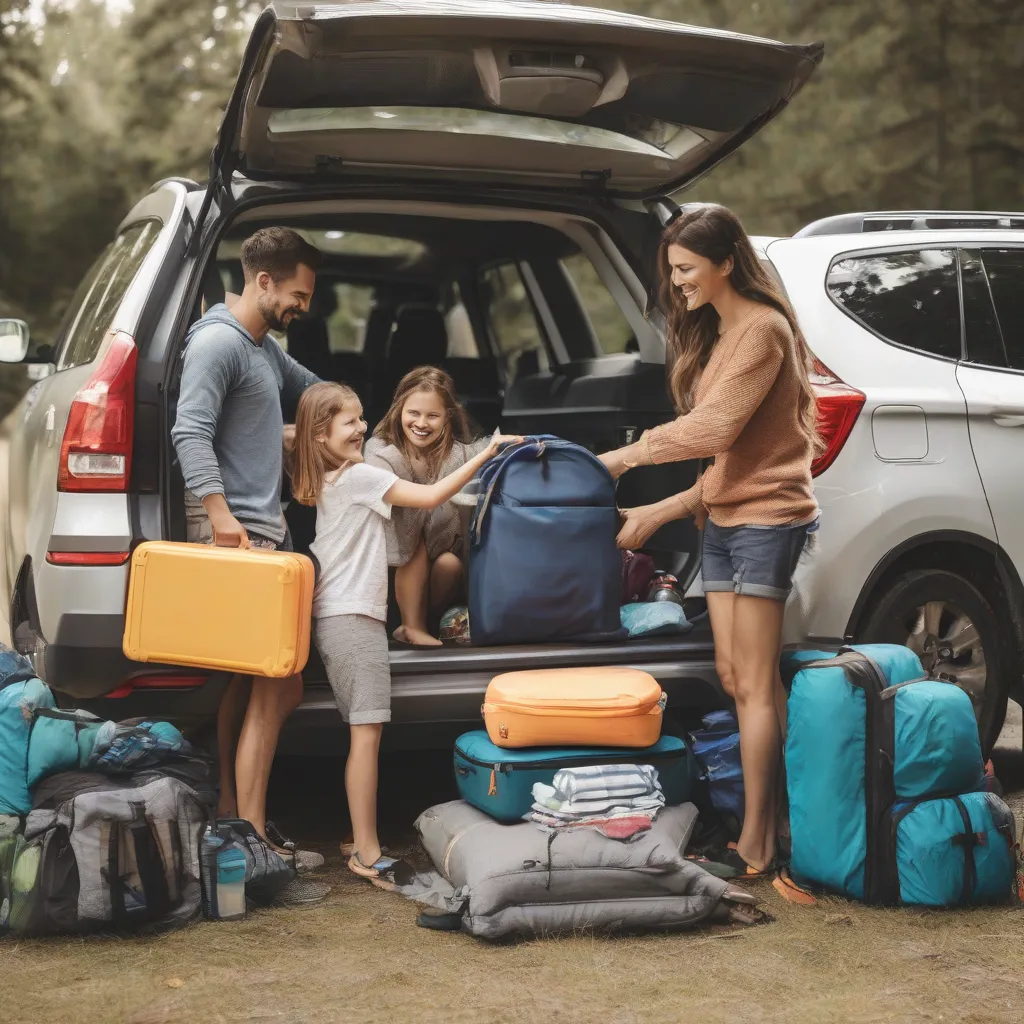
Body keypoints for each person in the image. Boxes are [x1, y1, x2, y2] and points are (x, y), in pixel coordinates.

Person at [600, 204, 820, 878]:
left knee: (754, 684)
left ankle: (758, 843)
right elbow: (724, 470)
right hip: (726, 523)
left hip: (766, 524)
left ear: (727, 262)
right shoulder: (724, 334)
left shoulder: (762, 331)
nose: (679, 282)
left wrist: (625, 458)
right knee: (734, 678)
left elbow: (713, 432)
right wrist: (656, 516)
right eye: (672, 271)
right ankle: (759, 821)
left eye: (687, 269)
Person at [290, 381, 520, 879]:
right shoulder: (359, 477)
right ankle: (367, 852)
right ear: (320, 433)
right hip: (354, 620)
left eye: (360, 417)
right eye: (349, 421)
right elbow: (433, 495)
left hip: (344, 617)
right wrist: (489, 452)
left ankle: (360, 833)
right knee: (367, 736)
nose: (361, 428)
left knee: (363, 733)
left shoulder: (338, 477)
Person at [171, 226, 325, 873]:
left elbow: (313, 390)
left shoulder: (263, 349)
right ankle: (253, 840)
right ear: (263, 281)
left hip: (266, 530)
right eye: (298, 294)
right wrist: (220, 518)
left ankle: (236, 821)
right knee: (280, 686)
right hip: (239, 534)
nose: (304, 308)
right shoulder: (218, 344)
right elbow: (189, 431)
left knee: (247, 684)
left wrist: (340, 418)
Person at [364, 366, 489, 646]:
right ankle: (409, 624)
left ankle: (431, 624)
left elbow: (510, 456)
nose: (422, 423)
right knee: (412, 523)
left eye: (433, 415)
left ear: (448, 417)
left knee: (448, 564)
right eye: (414, 413)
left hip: (444, 560)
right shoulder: (379, 451)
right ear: (399, 411)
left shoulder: (462, 453)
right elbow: (407, 499)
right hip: (392, 563)